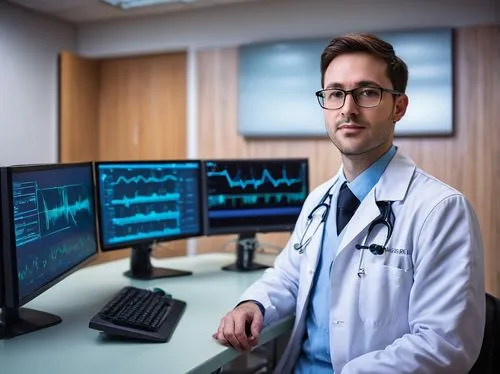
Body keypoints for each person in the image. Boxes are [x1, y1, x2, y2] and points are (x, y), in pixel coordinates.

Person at [212, 33, 485, 373]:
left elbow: (444, 344)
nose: (348, 109)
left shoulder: (440, 210)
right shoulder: (319, 200)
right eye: (336, 93)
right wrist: (254, 303)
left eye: (367, 92)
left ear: (398, 107)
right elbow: (288, 276)